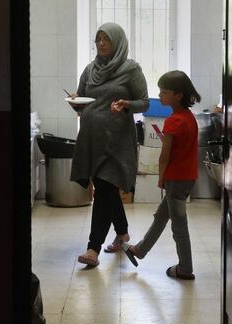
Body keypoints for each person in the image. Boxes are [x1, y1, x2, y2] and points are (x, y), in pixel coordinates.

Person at [69, 22, 149, 267]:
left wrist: (126, 104)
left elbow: (144, 102)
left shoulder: (130, 69)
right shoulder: (90, 69)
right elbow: (81, 96)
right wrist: (76, 102)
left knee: (103, 190)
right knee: (108, 190)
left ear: (118, 41)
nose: (101, 43)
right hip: (92, 139)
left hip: (117, 142)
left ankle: (93, 249)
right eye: (98, 39)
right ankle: (123, 233)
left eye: (106, 39)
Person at [128, 70, 201, 280]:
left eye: (164, 92)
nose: (160, 96)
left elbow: (164, 156)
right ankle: (139, 250)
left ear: (178, 95)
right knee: (162, 216)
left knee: (179, 225)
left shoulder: (173, 122)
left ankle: (185, 269)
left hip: (175, 179)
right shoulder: (189, 118)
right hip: (188, 177)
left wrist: (161, 177)